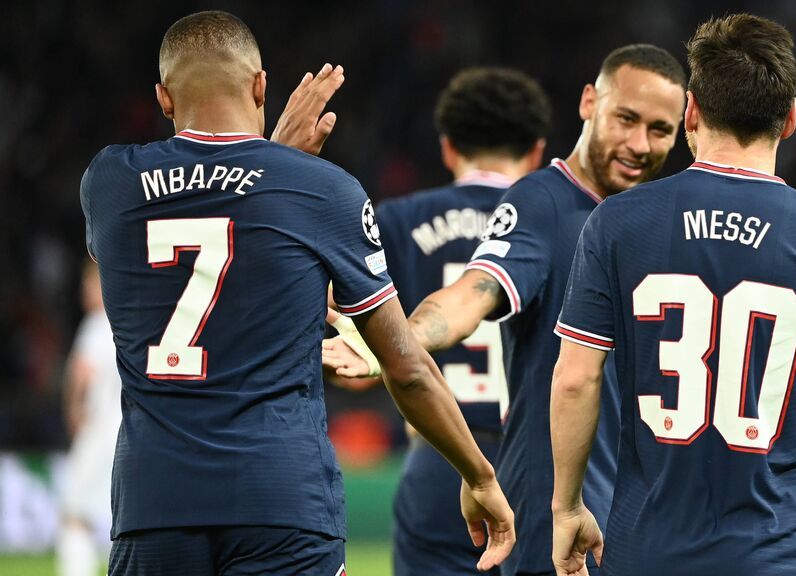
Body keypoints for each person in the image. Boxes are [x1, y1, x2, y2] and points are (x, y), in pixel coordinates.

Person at [80, 11, 514, 576]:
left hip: (153, 504)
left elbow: (208, 211)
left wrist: (272, 160)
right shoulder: (320, 189)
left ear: (164, 98)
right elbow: (405, 367)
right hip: (282, 502)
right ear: (261, 85)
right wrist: (479, 474)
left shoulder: (109, 182)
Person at [549, 13, 796, 576]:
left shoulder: (617, 224)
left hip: (647, 554)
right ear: (791, 118)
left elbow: (576, 378)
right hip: (779, 557)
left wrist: (566, 506)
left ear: (692, 111)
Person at [325, 45, 686, 576]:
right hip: (548, 515)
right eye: (626, 118)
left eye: (660, 130)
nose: (639, 144)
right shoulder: (544, 201)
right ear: (590, 102)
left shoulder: (651, 222)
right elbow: (472, 294)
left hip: (626, 518)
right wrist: (394, 341)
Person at [326, 66, 550, 576]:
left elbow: (358, 348)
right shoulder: (558, 221)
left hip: (438, 459)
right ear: (537, 152)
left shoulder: (399, 220)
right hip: (537, 463)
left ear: (448, 147)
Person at [58, 260, 121, 576]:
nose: (84, 292)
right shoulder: (127, 322)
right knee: (118, 515)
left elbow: (81, 374)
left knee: (74, 513)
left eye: (88, 284)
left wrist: (72, 410)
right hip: (127, 434)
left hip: (98, 430)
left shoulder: (97, 324)